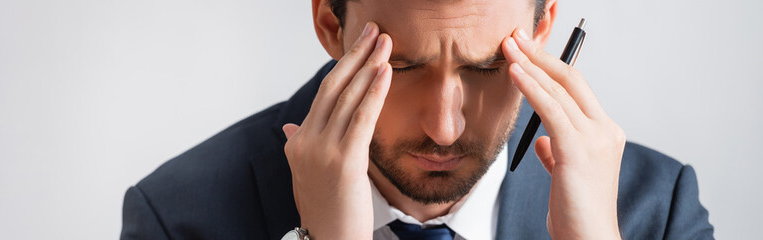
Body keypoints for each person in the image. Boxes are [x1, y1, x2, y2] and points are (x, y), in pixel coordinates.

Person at [120, 0, 714, 239]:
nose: (445, 128)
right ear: (331, 24)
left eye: (485, 67)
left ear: (541, 28)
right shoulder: (177, 222)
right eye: (403, 68)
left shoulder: (655, 215)